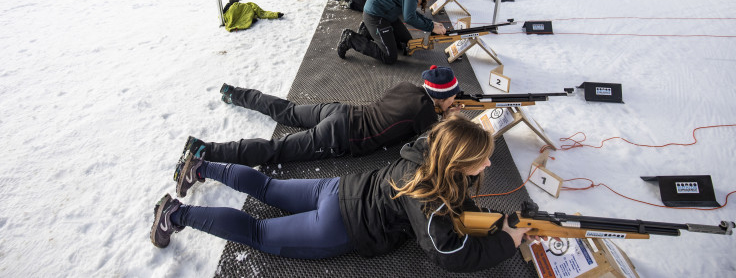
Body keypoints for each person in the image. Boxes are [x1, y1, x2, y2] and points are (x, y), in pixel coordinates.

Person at [153, 116, 533, 273]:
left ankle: (201, 168)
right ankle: (175, 214)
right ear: (457, 161)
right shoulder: (429, 199)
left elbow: (460, 205)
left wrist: (499, 223)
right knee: (256, 233)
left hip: (338, 188)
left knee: (267, 188)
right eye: (482, 161)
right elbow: (448, 252)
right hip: (339, 225)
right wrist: (509, 242)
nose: (487, 167)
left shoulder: (429, 145)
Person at [174, 64, 462, 174]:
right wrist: (449, 119)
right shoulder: (426, 113)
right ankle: (205, 151)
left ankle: (234, 93)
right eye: (453, 96)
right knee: (277, 150)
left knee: (287, 111)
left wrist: (440, 111)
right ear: (442, 97)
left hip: (341, 111)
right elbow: (432, 145)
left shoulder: (407, 87)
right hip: (342, 135)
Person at [337, 0, 456, 64]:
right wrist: (430, 27)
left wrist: (431, 23)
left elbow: (410, 13)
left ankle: (367, 30)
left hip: (388, 15)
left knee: (407, 43)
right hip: (376, 15)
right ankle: (351, 39)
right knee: (389, 56)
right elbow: (409, 17)